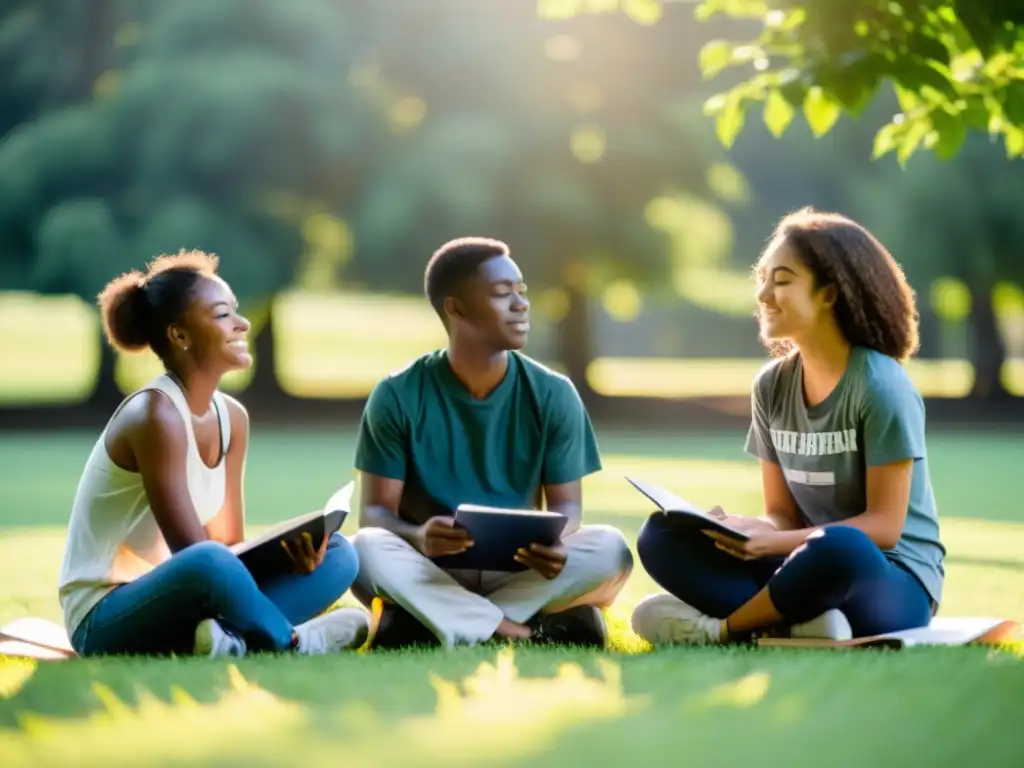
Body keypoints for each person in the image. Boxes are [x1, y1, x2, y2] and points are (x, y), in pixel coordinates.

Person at [631, 207, 945, 646]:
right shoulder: (772, 386)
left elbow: (884, 526)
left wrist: (774, 545)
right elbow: (782, 514)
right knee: (662, 533)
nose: (762, 294)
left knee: (841, 548)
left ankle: (722, 630)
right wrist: (746, 531)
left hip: (888, 578)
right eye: (761, 279)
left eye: (781, 280)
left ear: (829, 294)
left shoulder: (881, 385)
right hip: (799, 562)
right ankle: (803, 623)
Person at [58, 250, 368, 657]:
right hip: (104, 616)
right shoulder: (155, 414)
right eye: (223, 315)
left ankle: (229, 640)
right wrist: (239, 569)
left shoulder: (232, 418)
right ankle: (290, 642)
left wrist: (291, 552)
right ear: (180, 335)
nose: (242, 324)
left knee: (340, 556)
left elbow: (230, 545)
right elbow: (197, 555)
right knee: (210, 562)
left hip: (190, 594)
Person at [350, 237, 633, 649]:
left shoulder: (553, 393)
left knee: (610, 548)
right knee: (365, 549)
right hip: (432, 567)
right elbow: (376, 514)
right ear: (456, 308)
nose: (521, 304)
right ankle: (513, 627)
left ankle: (430, 622)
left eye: (522, 292)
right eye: (503, 294)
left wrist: (557, 543)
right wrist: (419, 535)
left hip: (521, 571)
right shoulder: (397, 394)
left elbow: (567, 506)